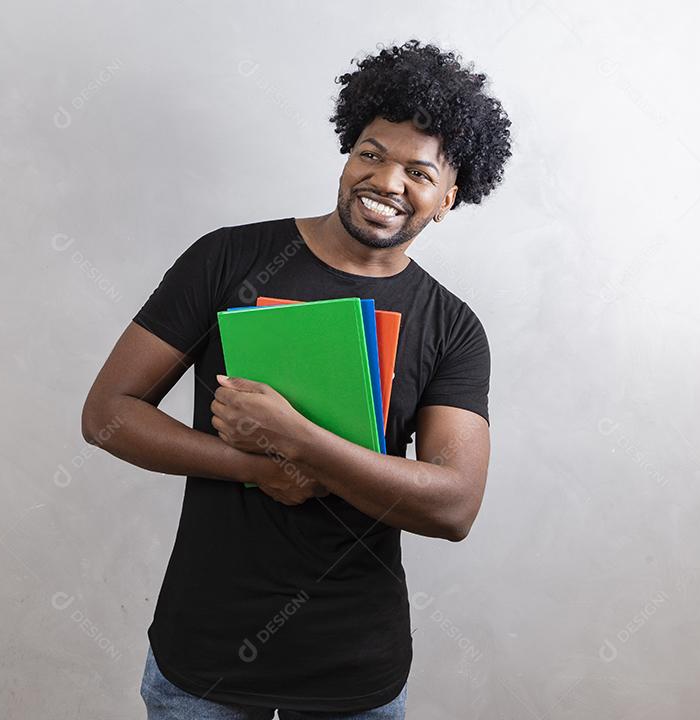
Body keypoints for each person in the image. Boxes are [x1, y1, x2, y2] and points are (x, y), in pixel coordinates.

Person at [81, 38, 513, 719]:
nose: (387, 183)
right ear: (347, 155)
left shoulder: (452, 327)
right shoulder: (229, 259)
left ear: (448, 199)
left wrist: (297, 441)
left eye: (418, 174)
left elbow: (454, 504)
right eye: (371, 153)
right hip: (204, 661)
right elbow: (107, 414)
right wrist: (244, 460)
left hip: (355, 672)